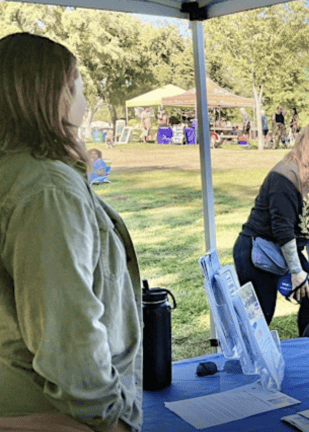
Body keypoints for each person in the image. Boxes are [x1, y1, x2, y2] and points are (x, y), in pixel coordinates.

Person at [0, 32, 141, 432]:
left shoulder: (17, 172)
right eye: (77, 82)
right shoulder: (46, 188)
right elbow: (67, 329)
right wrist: (107, 419)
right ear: (54, 93)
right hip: (58, 415)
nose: (82, 96)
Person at [232, 120, 309, 335]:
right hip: (256, 250)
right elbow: (283, 230)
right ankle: (245, 359)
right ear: (306, 145)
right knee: (261, 315)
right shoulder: (285, 176)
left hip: (282, 246)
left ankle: (308, 349)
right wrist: (296, 272)